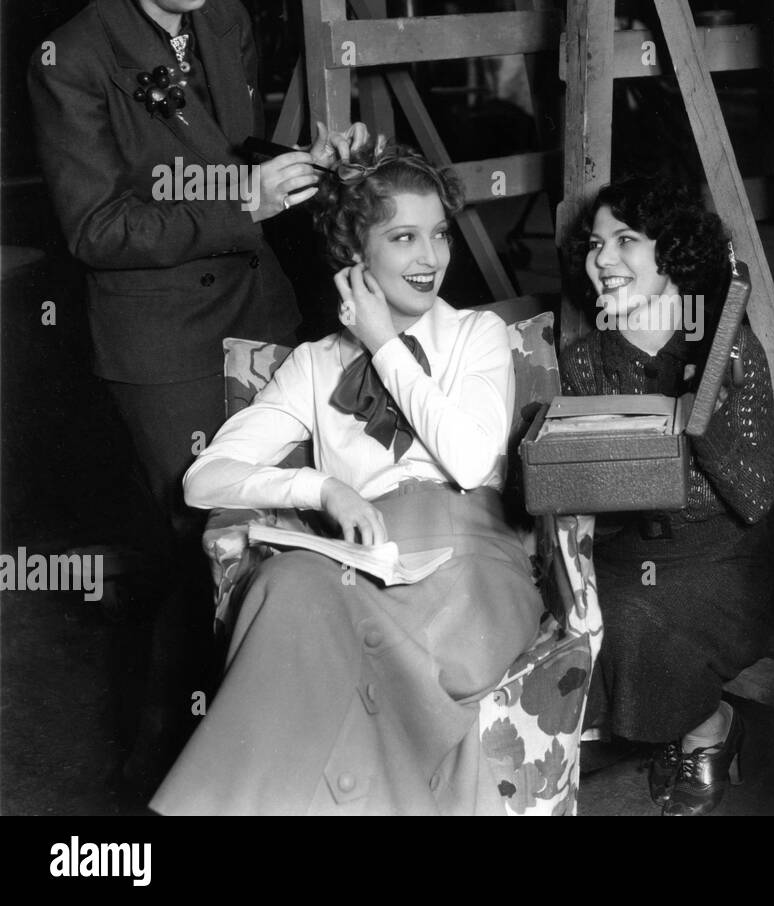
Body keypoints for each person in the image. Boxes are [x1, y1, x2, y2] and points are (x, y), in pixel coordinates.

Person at [27, 0, 369, 795]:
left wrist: (304, 161)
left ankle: (291, 764)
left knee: (280, 544)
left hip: (258, 306)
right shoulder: (71, 60)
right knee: (199, 552)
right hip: (162, 342)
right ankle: (164, 780)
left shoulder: (224, 20)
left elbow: (227, 153)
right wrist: (242, 201)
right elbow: (98, 226)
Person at [149, 143, 542, 815]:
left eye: (439, 233)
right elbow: (203, 480)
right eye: (404, 237)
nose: (431, 257)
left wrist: (386, 345)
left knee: (313, 662)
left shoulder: (477, 334)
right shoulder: (313, 364)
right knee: (283, 584)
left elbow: (473, 462)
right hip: (367, 567)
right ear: (355, 255)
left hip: (471, 571)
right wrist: (320, 490)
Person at [560, 179, 774, 816]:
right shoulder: (583, 362)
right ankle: (691, 720)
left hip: (723, 557)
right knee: (585, 612)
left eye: (626, 241)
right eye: (595, 244)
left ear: (676, 254)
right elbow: (593, 495)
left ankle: (707, 729)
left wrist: (697, 421)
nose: (603, 260)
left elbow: (756, 495)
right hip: (629, 550)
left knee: (639, 620)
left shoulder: (728, 350)